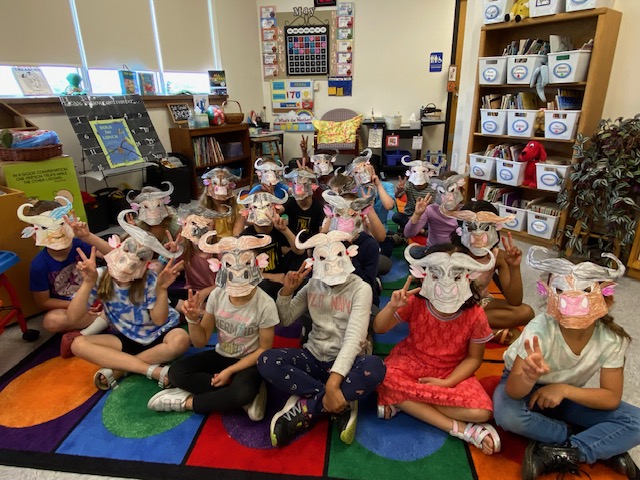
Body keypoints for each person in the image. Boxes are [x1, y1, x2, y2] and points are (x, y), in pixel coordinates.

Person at [493, 247, 640, 479]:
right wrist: (529, 377)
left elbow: (611, 397)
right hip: (524, 389)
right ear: (549, 294)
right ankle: (591, 440)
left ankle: (564, 450)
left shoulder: (612, 339)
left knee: (637, 421)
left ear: (607, 299)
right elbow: (512, 390)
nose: (572, 302)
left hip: (565, 395)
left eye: (585, 291)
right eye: (561, 291)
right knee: (507, 414)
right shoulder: (539, 329)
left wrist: (563, 389)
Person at [258, 230, 386, 447]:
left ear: (348, 255)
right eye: (323, 259)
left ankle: (310, 406)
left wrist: (334, 382)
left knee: (375, 368)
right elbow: (286, 319)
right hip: (314, 356)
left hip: (349, 363)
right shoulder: (312, 285)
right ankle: (339, 403)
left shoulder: (361, 289)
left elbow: (354, 339)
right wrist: (287, 292)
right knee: (267, 361)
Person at [373, 243, 501, 456]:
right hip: (410, 362)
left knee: (482, 412)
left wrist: (447, 383)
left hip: (452, 371)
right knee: (382, 377)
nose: (446, 284)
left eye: (456, 276)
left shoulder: (476, 314)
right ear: (424, 275)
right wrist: (392, 306)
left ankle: (402, 402)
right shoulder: (415, 302)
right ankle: (463, 430)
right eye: (437, 274)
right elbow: (379, 328)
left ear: (468, 277)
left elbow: (473, 359)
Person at [147, 233, 279, 421]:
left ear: (257, 265)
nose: (238, 272)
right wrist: (192, 320)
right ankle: (241, 395)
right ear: (221, 268)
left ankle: (188, 402)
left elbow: (265, 349)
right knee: (176, 373)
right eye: (231, 267)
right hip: (222, 354)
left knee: (242, 392)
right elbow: (200, 342)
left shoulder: (265, 304)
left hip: (248, 360)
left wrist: (230, 372)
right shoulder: (218, 295)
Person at [67, 210, 190, 390]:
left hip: (159, 334)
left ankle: (120, 368)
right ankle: (148, 369)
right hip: (126, 337)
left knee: (181, 339)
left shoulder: (149, 280)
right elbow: (73, 317)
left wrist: (162, 290)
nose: (131, 261)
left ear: (146, 264)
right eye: (128, 250)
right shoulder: (100, 276)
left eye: (141, 257)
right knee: (78, 344)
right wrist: (87, 283)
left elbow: (159, 320)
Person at [17, 197, 111, 350]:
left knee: (122, 274)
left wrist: (87, 237)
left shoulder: (79, 244)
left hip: (96, 293)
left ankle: (99, 321)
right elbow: (43, 303)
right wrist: (78, 306)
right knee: (51, 321)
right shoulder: (38, 265)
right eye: (45, 228)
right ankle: (107, 318)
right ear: (34, 234)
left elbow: (113, 254)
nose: (56, 233)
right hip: (69, 306)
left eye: (61, 225)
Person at [448, 200, 534, 344]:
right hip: (455, 308)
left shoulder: (498, 256)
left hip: (480, 302)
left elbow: (515, 301)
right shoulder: (452, 255)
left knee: (527, 312)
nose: (479, 236)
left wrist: (514, 267)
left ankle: (470, 330)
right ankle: (480, 331)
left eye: (486, 228)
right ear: (461, 230)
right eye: (471, 228)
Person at [238, 191, 305, 298]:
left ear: (274, 209)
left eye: (267, 206)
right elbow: (243, 272)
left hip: (281, 269)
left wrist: (284, 230)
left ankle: (293, 287)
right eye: (256, 207)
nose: (262, 212)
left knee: (301, 255)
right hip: (262, 277)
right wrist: (273, 276)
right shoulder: (246, 236)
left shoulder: (278, 228)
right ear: (249, 213)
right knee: (264, 286)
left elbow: (300, 251)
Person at [321, 189, 381, 306]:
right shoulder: (327, 243)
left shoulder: (370, 245)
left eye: (352, 214)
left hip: (359, 297)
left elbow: (365, 285)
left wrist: (348, 254)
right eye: (339, 215)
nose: (345, 220)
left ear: (361, 215)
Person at [403, 171, 467, 247]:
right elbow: (408, 233)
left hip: (455, 252)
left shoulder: (466, 211)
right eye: (441, 192)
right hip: (433, 250)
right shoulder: (431, 209)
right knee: (414, 251)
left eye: (452, 191)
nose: (447, 196)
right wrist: (417, 214)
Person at [392, 156, 438, 234]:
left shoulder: (432, 188)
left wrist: (421, 217)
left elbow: (434, 208)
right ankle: (422, 231)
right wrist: (399, 191)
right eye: (415, 171)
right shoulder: (408, 185)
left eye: (423, 171)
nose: (419, 175)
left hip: (425, 218)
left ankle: (411, 228)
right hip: (409, 215)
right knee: (396, 216)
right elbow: (397, 196)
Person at [281, 166, 325, 239]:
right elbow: (278, 211)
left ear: (313, 187)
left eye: (305, 184)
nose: (299, 187)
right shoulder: (291, 202)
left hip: (311, 243)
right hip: (293, 242)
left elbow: (321, 232)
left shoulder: (318, 207)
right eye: (295, 183)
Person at [199, 167, 242, 238]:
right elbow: (205, 240)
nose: (220, 187)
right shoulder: (202, 210)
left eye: (224, 183)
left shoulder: (238, 209)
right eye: (215, 183)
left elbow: (236, 237)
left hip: (231, 244)